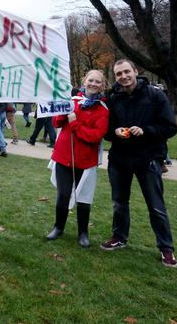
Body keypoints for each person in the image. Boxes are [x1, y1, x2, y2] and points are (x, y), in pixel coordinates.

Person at [101, 59, 177, 268]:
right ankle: (119, 237)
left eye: (127, 71)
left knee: (156, 206)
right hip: (119, 159)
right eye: (119, 74)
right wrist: (114, 132)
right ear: (115, 77)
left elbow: (170, 127)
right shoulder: (112, 99)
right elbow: (106, 131)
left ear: (135, 72)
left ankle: (166, 248)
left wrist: (146, 130)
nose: (123, 76)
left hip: (148, 159)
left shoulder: (155, 95)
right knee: (119, 203)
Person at [46, 70, 109, 248]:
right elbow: (57, 123)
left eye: (98, 82)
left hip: (86, 161)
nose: (94, 84)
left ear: (102, 85)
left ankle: (83, 233)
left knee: (83, 197)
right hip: (64, 157)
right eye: (91, 80)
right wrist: (63, 111)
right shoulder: (72, 101)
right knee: (63, 194)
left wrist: (74, 123)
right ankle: (58, 227)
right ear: (84, 81)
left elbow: (94, 136)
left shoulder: (103, 109)